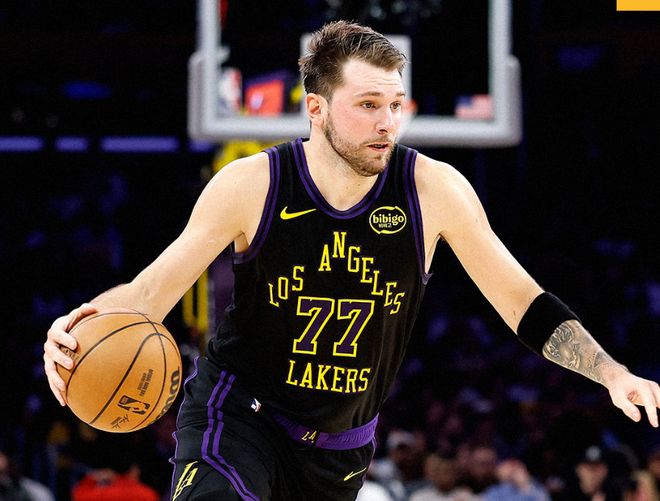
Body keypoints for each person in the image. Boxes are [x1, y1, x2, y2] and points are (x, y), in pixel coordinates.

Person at [43, 20, 660, 501]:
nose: (387, 122)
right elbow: (149, 294)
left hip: (340, 448)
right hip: (238, 413)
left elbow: (522, 301)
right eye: (368, 104)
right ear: (315, 108)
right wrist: (75, 329)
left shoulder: (434, 191)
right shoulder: (253, 185)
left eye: (395, 105)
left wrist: (612, 374)